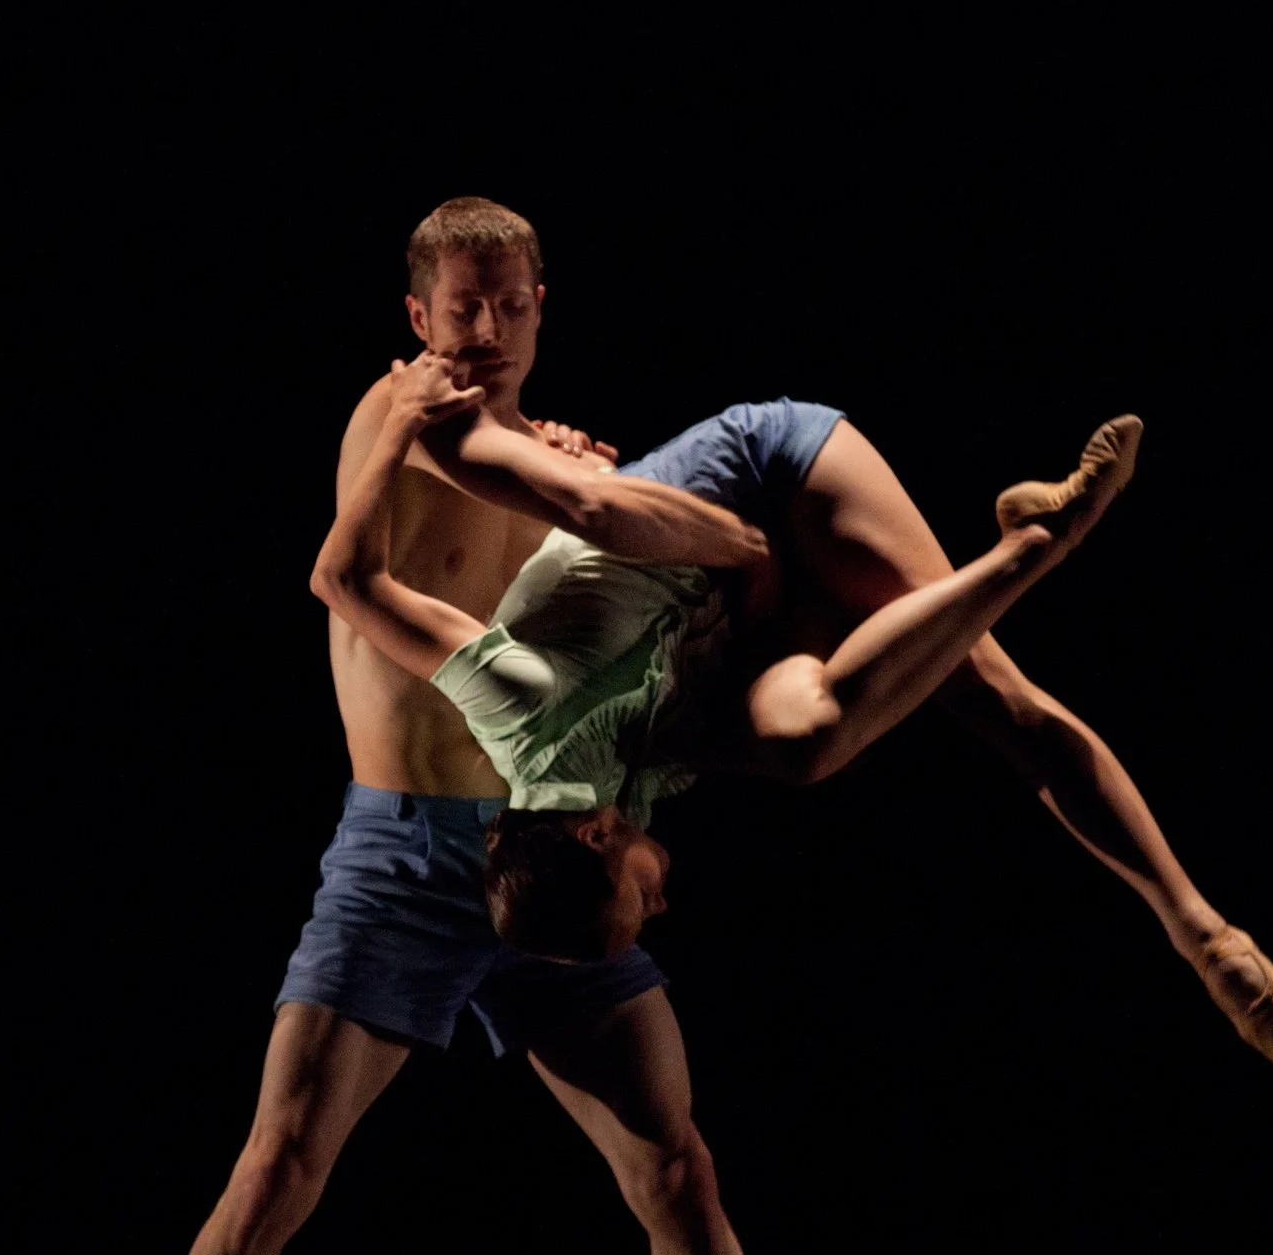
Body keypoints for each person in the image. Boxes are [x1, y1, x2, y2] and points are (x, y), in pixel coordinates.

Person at [83, 200, 875, 1255]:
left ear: (541, 305)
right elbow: (345, 574)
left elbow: (605, 600)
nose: (490, 331)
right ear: (419, 315)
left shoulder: (545, 460)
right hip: (400, 851)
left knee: (678, 1171)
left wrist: (627, 495)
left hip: (552, 854)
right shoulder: (390, 422)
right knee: (277, 1167)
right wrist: (437, 441)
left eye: (512, 305)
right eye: (465, 308)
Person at [311, 357, 1142, 967]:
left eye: (641, 903)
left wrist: (402, 423)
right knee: (805, 741)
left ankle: (1034, 549)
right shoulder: (621, 792)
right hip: (729, 597)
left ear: (596, 835)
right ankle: (1027, 546)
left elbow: (344, 581)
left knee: (994, 698)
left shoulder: (516, 708)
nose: (663, 900)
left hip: (718, 500)